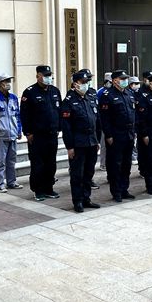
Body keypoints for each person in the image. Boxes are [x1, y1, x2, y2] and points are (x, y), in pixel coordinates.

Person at [61, 71, 102, 213]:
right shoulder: (68, 101)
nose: (86, 85)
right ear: (75, 84)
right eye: (83, 82)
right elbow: (66, 127)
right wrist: (69, 147)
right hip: (78, 143)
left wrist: (97, 140)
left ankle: (86, 198)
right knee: (77, 174)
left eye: (86, 82)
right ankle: (77, 201)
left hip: (91, 142)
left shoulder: (90, 98)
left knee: (89, 172)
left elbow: (97, 122)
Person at [20, 65, 62, 201]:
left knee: (51, 163)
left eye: (49, 75)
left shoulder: (55, 91)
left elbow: (59, 111)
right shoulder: (29, 92)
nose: (48, 78)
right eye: (45, 75)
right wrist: (28, 132)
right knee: (38, 164)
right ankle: (38, 190)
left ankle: (49, 188)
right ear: (38, 76)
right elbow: (24, 115)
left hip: (52, 134)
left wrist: (58, 128)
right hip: (37, 136)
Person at [99, 70, 136, 202]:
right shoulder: (107, 95)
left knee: (126, 164)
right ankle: (116, 192)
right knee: (115, 165)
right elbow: (104, 118)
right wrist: (108, 135)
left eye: (126, 79)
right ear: (115, 81)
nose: (125, 81)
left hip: (129, 134)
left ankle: (124, 189)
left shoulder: (129, 93)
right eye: (122, 79)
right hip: (116, 135)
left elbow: (133, 113)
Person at [0, 73, 23, 193]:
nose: (8, 83)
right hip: (1, 136)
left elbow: (17, 115)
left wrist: (19, 130)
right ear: (0, 83)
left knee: (11, 161)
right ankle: (0, 184)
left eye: (9, 81)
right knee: (0, 161)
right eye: (6, 81)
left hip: (12, 134)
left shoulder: (13, 98)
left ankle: (11, 182)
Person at [96, 72, 113, 177]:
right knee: (104, 145)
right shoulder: (100, 92)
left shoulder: (113, 92)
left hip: (113, 124)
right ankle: (103, 163)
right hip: (103, 122)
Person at [129, 76, 141, 165]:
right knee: (132, 140)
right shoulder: (129, 94)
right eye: (136, 84)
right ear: (131, 85)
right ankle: (133, 156)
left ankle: (135, 155)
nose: (137, 85)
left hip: (136, 120)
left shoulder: (137, 93)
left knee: (136, 140)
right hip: (130, 122)